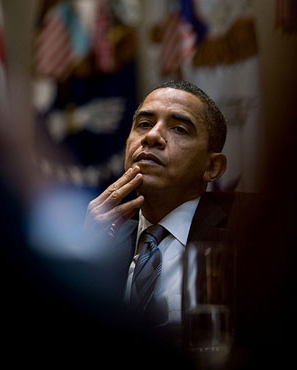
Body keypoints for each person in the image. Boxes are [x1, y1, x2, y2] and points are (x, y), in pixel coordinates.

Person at [85, 80, 258, 332]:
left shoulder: (254, 227)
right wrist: (84, 262)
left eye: (179, 128)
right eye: (144, 124)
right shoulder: (104, 242)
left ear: (212, 168)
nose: (152, 136)